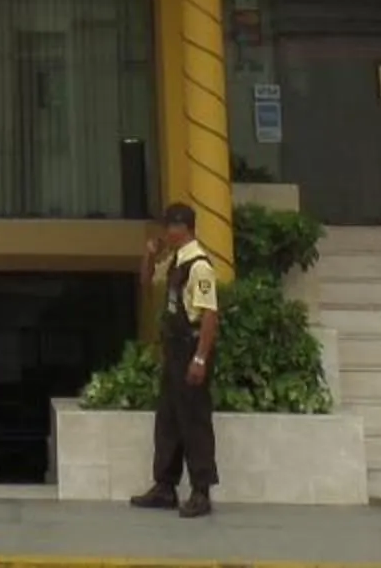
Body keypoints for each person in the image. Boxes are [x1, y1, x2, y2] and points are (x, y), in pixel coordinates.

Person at [130, 201, 220, 520]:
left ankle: (201, 491)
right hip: (173, 347)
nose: (166, 232)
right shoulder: (174, 262)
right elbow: (146, 283)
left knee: (194, 420)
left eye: (170, 226)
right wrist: (149, 254)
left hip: (191, 346)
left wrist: (199, 358)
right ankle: (165, 486)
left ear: (184, 228)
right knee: (168, 418)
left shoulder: (198, 265)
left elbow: (210, 314)